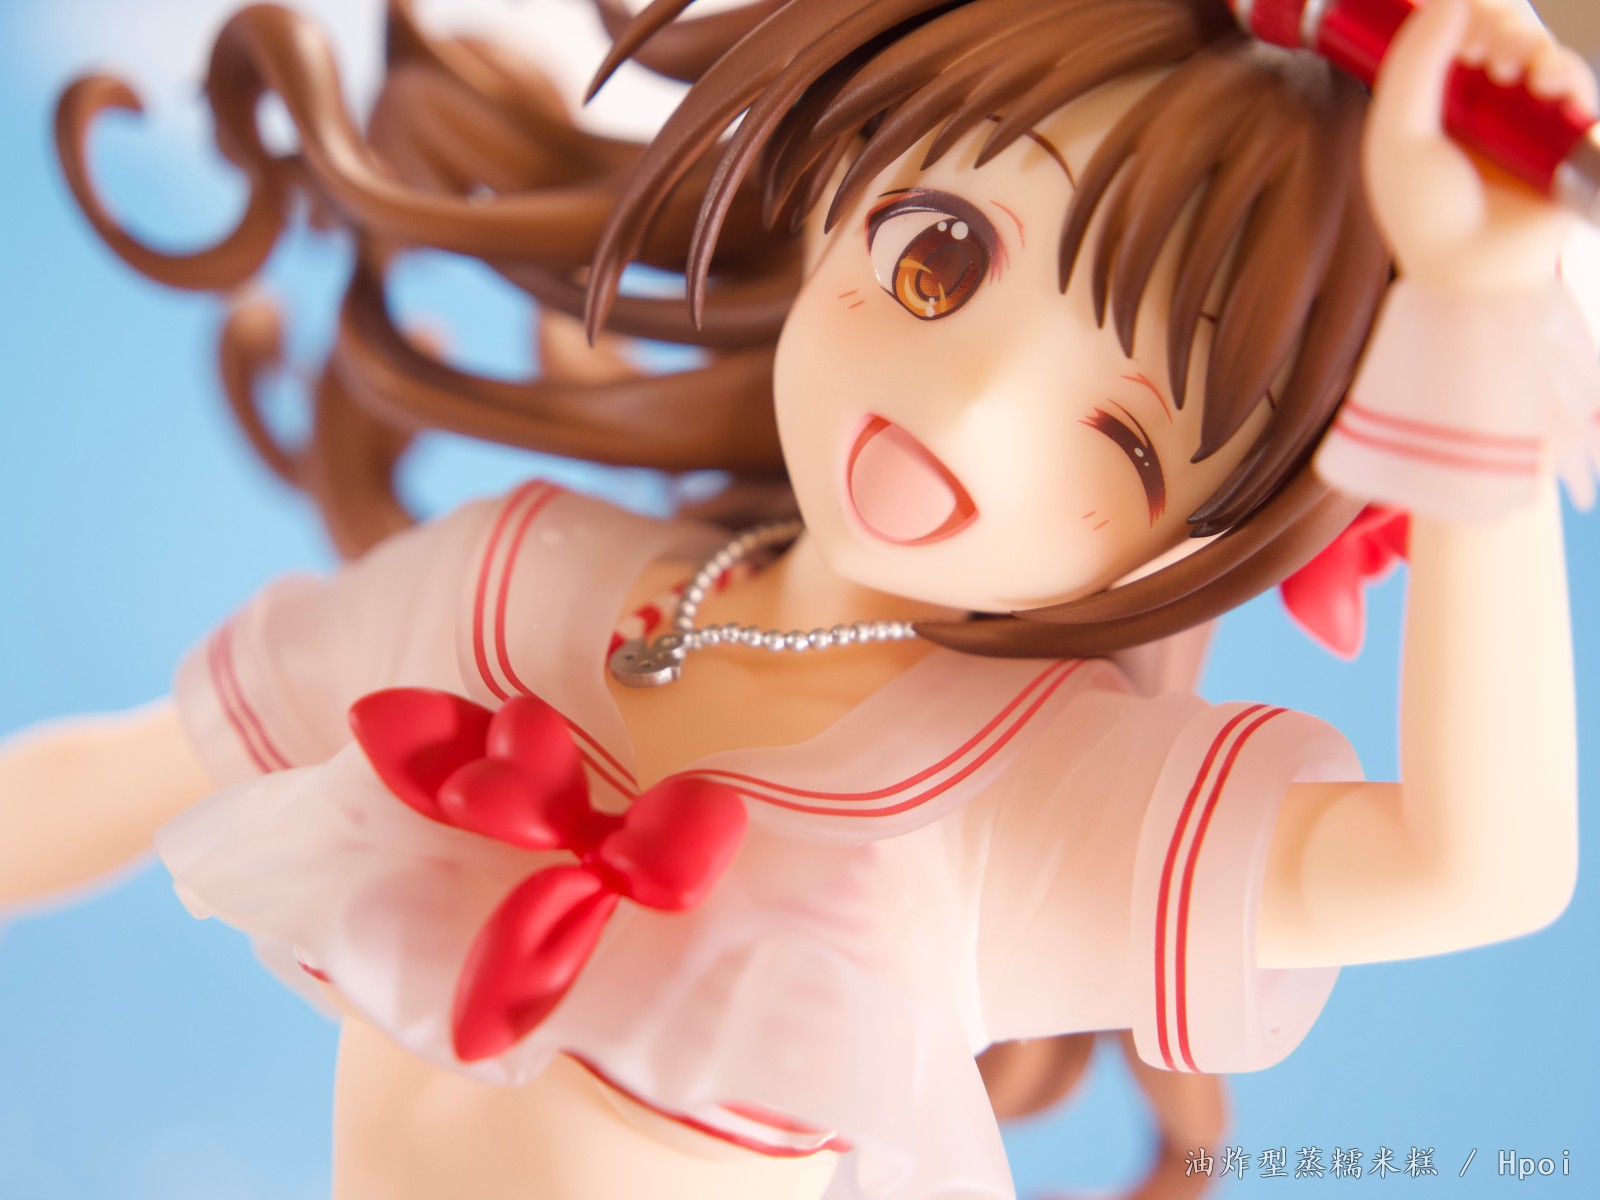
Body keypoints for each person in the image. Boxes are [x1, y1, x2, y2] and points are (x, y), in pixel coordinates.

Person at [6, 0, 1596, 1196]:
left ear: (1187, 544)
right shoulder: (505, 582)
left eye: (1125, 442)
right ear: (845, 182)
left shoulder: (1020, 804)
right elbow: (108, 780)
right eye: (939, 259)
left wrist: (1475, 307)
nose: (971, 407)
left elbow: (1475, 870)